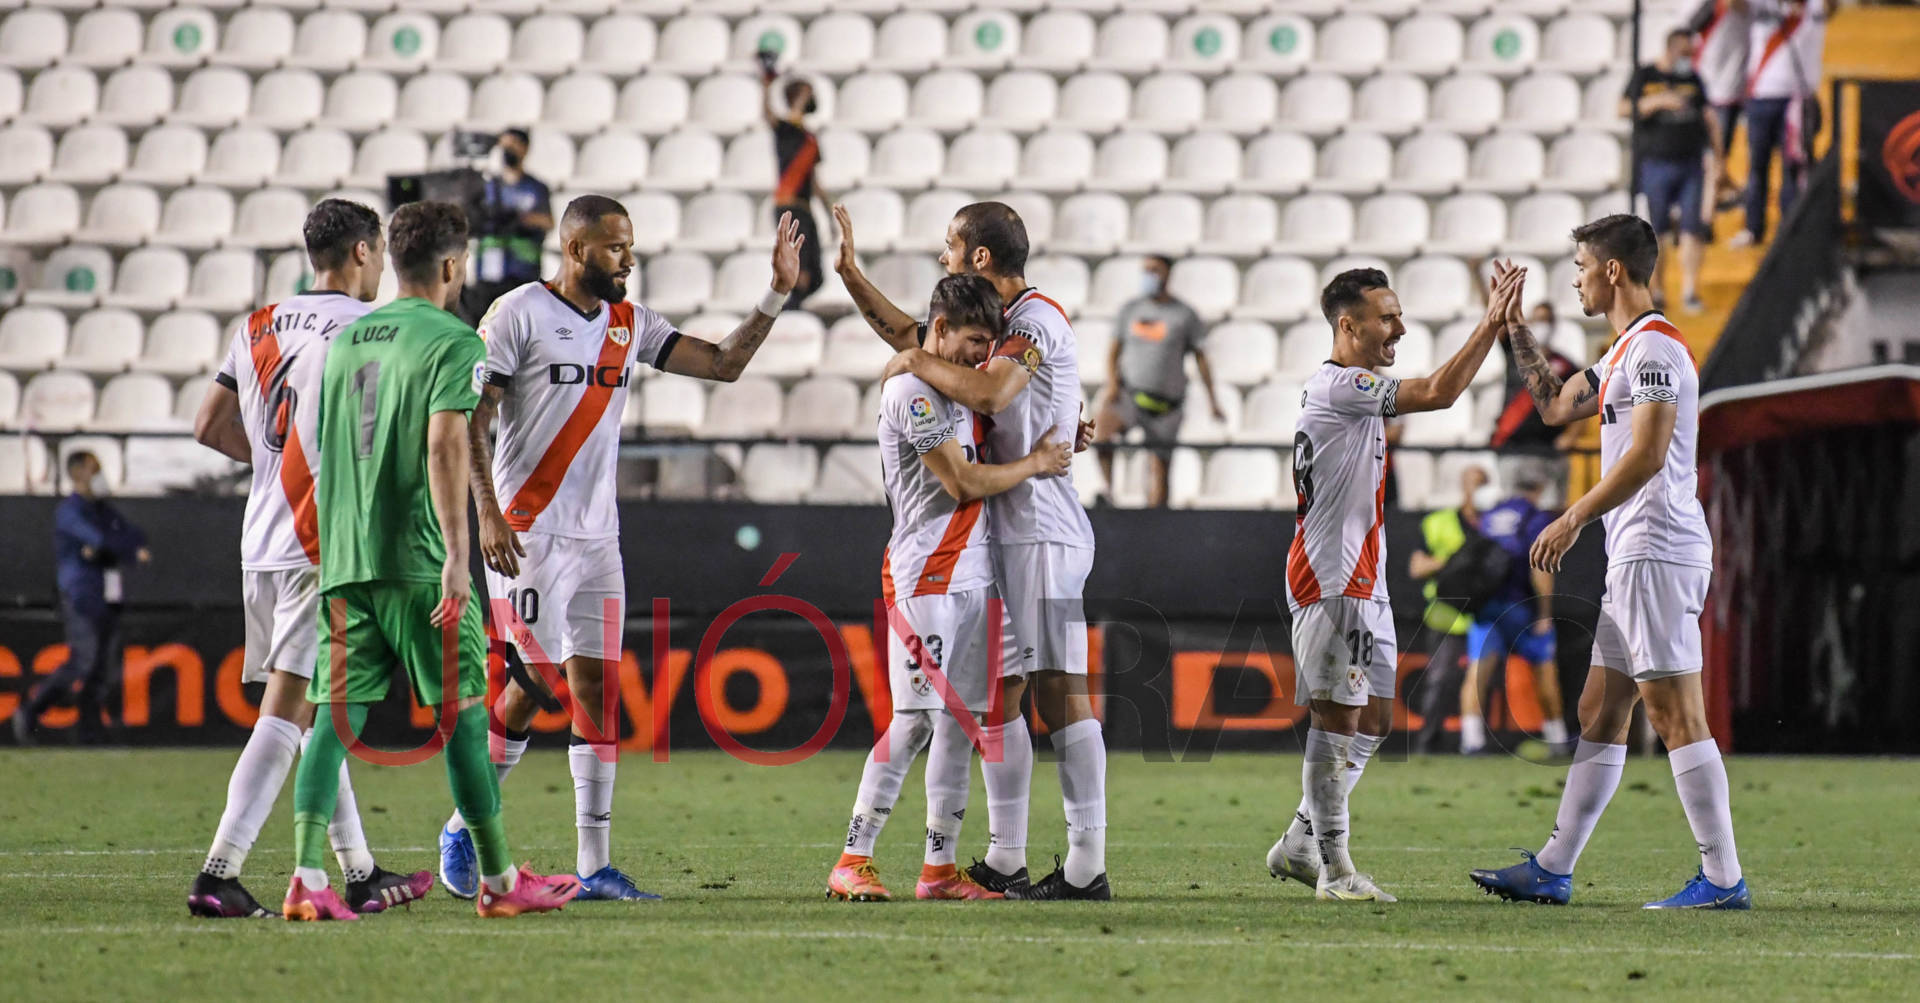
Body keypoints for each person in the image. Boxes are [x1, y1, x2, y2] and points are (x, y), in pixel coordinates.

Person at [437, 198, 806, 901]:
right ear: (576, 250)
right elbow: (474, 421)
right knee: (534, 685)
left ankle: (594, 862)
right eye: (616, 248)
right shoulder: (516, 314)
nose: (629, 260)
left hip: (598, 536)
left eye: (630, 248)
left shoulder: (630, 324)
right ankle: (463, 825)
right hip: (527, 531)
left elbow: (725, 363)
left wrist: (778, 290)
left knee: (598, 688)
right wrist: (485, 510)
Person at [282, 200, 580, 921]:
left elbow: (317, 444)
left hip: (349, 558)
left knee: (333, 720)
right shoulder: (454, 341)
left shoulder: (346, 340)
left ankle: (306, 876)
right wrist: (456, 554)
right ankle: (502, 881)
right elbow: (449, 442)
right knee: (465, 718)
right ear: (451, 266)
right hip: (421, 561)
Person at [1472, 214, 1749, 910]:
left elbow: (1649, 454)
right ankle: (1553, 866)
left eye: (1582, 266)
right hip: (1635, 552)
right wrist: (1511, 326)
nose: (1576, 278)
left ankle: (1722, 878)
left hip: (1658, 547)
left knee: (1674, 712)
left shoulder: (1656, 352)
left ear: (1613, 271)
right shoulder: (1623, 350)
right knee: (1600, 707)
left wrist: (1572, 515)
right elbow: (1552, 404)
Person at [836, 201, 1109, 900]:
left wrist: (914, 356)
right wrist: (852, 276)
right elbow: (922, 337)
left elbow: (977, 379)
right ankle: (1004, 857)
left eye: (950, 247)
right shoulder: (982, 333)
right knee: (997, 703)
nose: (942, 257)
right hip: (995, 539)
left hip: (1038, 526)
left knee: (1058, 688)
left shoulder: (1036, 321)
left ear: (980, 257)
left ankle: (1085, 866)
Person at [186, 199, 428, 919]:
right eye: (379, 253)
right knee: (289, 713)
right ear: (361, 251)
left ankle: (358, 870)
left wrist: (271, 465)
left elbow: (209, 425)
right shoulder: (369, 327)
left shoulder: (257, 323)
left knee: (324, 705)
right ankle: (218, 870)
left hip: (262, 535)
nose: (382, 266)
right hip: (320, 538)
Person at [1266, 263, 1526, 903]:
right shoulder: (1342, 386)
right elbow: (1438, 391)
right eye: (1388, 318)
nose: (1400, 328)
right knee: (1338, 718)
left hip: (1364, 578)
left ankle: (1300, 842)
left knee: (1376, 718)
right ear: (1348, 325)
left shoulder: (1351, 389)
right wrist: (1491, 321)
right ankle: (1334, 870)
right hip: (1332, 578)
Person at [11, 451, 148, 746]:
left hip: (108, 596)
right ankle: (31, 710)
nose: (100, 477)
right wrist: (114, 548)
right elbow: (105, 541)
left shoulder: (103, 511)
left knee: (101, 667)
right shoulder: (70, 511)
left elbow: (133, 537)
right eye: (94, 470)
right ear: (78, 475)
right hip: (81, 596)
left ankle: (90, 729)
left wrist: (109, 548)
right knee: (83, 661)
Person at [1457, 464, 1572, 757]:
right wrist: (1545, 612)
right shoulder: (1536, 517)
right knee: (1544, 670)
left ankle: (1471, 741)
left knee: (1477, 673)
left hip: (1485, 606)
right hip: (1521, 606)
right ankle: (1557, 740)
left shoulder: (1493, 514)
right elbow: (1540, 566)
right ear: (1541, 488)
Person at [1093, 254, 1226, 508]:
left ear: (1168, 274)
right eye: (1145, 270)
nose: (1148, 276)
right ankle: (1108, 492)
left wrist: (1213, 401)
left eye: (1154, 270)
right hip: (1130, 394)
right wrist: (1111, 384)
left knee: (1160, 469)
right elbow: (1113, 352)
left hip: (1167, 405)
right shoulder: (1130, 310)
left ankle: (1155, 521)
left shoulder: (1184, 315)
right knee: (1103, 432)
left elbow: (1201, 359)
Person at [1622, 30, 1712, 313]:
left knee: (1691, 229)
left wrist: (1717, 157)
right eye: (1684, 54)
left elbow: (1707, 116)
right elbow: (1624, 108)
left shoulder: (1693, 80)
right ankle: (1657, 289)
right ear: (1671, 50)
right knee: (1657, 229)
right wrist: (1659, 102)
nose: (1688, 60)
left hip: (1690, 163)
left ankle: (1689, 290)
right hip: (1656, 163)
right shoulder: (1646, 76)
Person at [1406, 466, 1487, 756]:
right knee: (1441, 680)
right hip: (1449, 614)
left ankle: (1476, 743)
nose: (1475, 488)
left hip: (1488, 613)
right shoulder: (1438, 523)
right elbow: (1417, 567)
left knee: (1481, 682)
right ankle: (1428, 743)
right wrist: (1454, 561)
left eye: (1481, 482)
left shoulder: (1494, 522)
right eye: (1471, 481)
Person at [1734, 0, 1825, 248]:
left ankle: (1791, 229)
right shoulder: (1762, 4)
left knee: (1794, 167)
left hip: (1797, 99)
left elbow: (1833, 6)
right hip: (1762, 96)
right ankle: (1754, 228)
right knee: (1757, 167)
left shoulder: (1816, 6)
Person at [461, 128, 553, 325]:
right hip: (488, 272)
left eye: (512, 145)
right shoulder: (486, 186)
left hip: (521, 270)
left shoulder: (535, 187)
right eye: (503, 145)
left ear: (524, 149)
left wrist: (518, 218)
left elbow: (547, 221)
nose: (506, 150)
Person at [1490, 302, 1578, 501]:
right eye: (1537, 320)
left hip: (1547, 451)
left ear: (1554, 325)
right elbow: (1497, 320)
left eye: (1546, 321)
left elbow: (1581, 405)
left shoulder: (1566, 366)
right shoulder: (1515, 355)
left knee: (1547, 517)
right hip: (1512, 446)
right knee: (1512, 513)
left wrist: (1571, 436)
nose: (1542, 325)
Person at [763, 76, 830, 308]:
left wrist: (829, 212)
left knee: (816, 276)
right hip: (788, 204)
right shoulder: (786, 129)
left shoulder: (810, 138)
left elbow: (814, 181)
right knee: (801, 271)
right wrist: (768, 83)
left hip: (805, 208)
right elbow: (768, 114)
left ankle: (791, 309)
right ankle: (790, 312)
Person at [1690, 0, 1753, 208]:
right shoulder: (1712, 7)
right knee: (1712, 154)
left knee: (1721, 151)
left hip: (1734, 89)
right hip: (1714, 89)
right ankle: (1705, 207)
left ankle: (1715, 195)